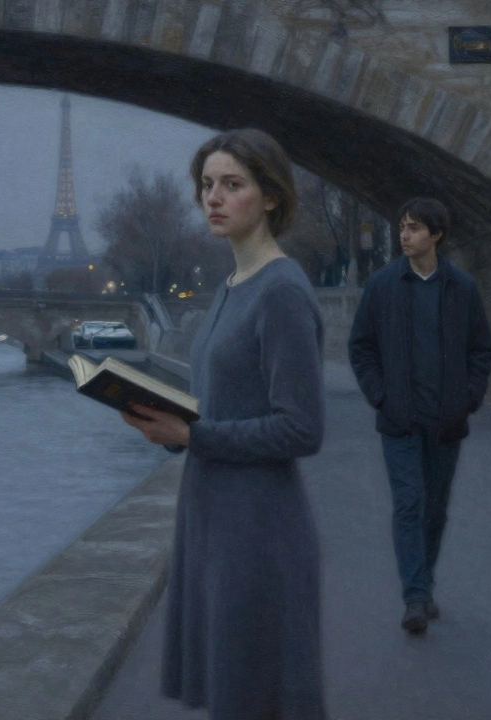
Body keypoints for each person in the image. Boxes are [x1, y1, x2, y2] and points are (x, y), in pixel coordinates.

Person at [119, 128, 327, 720]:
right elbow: (223, 401)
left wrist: (193, 435)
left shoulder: (281, 292)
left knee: (254, 700)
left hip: (257, 531)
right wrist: (164, 420)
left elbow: (301, 429)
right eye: (207, 185)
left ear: (271, 197)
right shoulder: (232, 286)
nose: (213, 197)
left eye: (232, 185)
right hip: (213, 519)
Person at [347, 197, 491, 634]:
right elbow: (361, 347)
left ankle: (424, 582)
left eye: (413, 228)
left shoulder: (461, 289)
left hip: (445, 422)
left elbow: (481, 349)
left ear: (437, 234)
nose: (404, 235)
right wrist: (380, 396)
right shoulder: (383, 286)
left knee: (435, 508)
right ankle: (414, 597)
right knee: (409, 503)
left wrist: (468, 399)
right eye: (402, 227)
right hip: (400, 421)